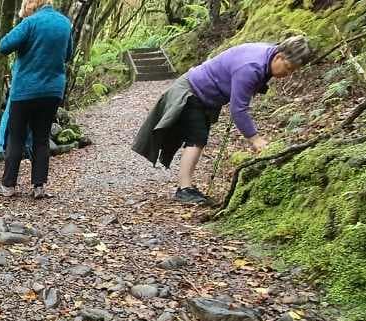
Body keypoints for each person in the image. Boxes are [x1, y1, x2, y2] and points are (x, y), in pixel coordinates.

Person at [132, 36, 313, 205]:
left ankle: (186, 186)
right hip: (191, 91)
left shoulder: (266, 56)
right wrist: (255, 139)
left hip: (202, 93)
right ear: (279, 56)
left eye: (293, 71)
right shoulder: (252, 66)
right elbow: (238, 109)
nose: (288, 74)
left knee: (198, 138)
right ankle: (184, 189)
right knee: (197, 138)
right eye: (288, 68)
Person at [0, 0, 73, 199]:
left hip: (25, 90)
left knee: (16, 136)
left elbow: (4, 46)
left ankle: (8, 185)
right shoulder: (65, 24)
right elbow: (68, 55)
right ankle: (39, 187)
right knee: (42, 138)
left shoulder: (30, 23)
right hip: (52, 90)